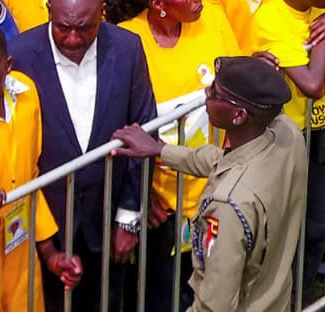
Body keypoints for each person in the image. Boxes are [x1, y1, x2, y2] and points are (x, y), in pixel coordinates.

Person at [4, 0, 157, 311]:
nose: (73, 38)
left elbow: (144, 132)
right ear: (49, 10)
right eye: (63, 27)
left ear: (102, 13)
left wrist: (128, 218)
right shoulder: (20, 55)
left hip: (108, 223)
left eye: (85, 28)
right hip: (47, 231)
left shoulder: (128, 47)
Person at [109, 55, 304, 312]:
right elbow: (224, 161)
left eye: (215, 93)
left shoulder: (227, 206)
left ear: (239, 115)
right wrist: (160, 150)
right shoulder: (287, 135)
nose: (206, 94)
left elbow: (215, 304)